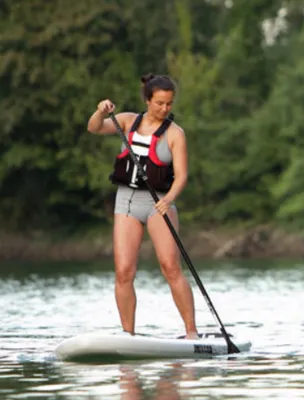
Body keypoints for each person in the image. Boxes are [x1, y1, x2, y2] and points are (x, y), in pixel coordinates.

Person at [86, 73, 198, 339]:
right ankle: (128, 335)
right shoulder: (126, 121)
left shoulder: (175, 134)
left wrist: (169, 199)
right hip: (126, 202)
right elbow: (93, 127)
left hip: (158, 203)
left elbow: (181, 175)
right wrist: (100, 111)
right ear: (148, 100)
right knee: (124, 272)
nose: (164, 108)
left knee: (170, 268)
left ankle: (191, 332)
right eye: (159, 103)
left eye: (169, 103)